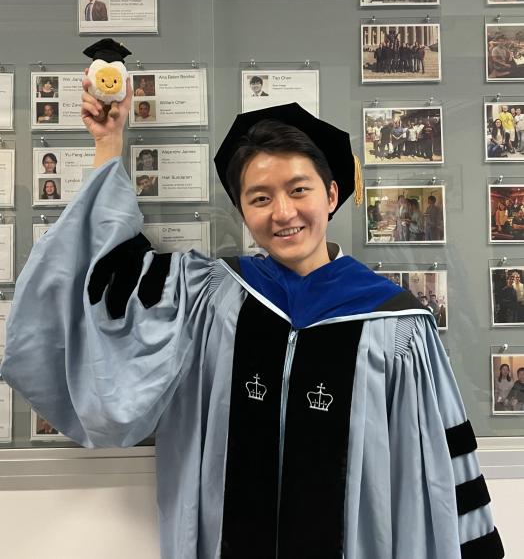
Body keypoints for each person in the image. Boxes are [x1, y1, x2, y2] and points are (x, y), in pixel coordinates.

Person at [1, 78, 503, 559]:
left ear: (331, 195)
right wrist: (108, 143)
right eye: (260, 198)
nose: (282, 213)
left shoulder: (395, 324)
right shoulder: (211, 298)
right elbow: (107, 276)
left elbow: (434, 471)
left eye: (299, 190)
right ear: (243, 212)